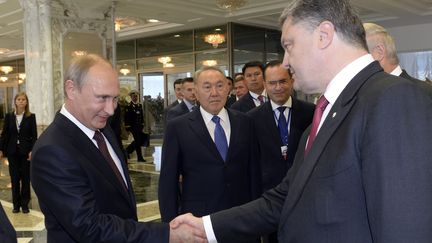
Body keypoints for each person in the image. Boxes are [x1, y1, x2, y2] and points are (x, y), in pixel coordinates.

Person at [171, 0, 432, 242]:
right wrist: (205, 227)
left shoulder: (391, 98)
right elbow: (285, 198)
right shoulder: (325, 114)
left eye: (288, 45)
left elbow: (405, 228)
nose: (285, 61)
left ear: (324, 35)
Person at [31, 54, 205, 243]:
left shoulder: (102, 128)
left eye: (114, 98)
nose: (111, 109)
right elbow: (90, 227)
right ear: (71, 89)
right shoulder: (53, 150)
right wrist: (167, 234)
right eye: (102, 98)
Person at [159, 66, 261, 225]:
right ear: (196, 92)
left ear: (228, 88)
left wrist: (257, 215)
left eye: (220, 86)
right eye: (207, 87)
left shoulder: (245, 122)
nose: (215, 92)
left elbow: (254, 172)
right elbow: (168, 182)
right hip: (199, 219)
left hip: (242, 216)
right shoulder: (178, 127)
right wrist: (170, 226)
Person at [0, 92, 37, 214]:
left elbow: (34, 136)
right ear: (15, 102)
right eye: (19, 99)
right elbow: (4, 135)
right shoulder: (9, 116)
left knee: (26, 179)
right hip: (12, 152)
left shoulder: (31, 117)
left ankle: (25, 205)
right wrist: (1, 150)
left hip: (26, 152)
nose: (21, 101)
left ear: (26, 102)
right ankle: (16, 205)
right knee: (14, 179)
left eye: (23, 99)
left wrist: (32, 150)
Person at [124, 89, 146, 162]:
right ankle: (139, 157)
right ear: (131, 97)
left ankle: (127, 151)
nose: (135, 98)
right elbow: (126, 117)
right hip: (133, 127)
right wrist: (127, 127)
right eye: (134, 96)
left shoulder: (139, 105)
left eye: (136, 96)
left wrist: (143, 124)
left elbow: (141, 116)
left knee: (138, 141)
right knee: (138, 141)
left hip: (139, 126)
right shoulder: (128, 106)